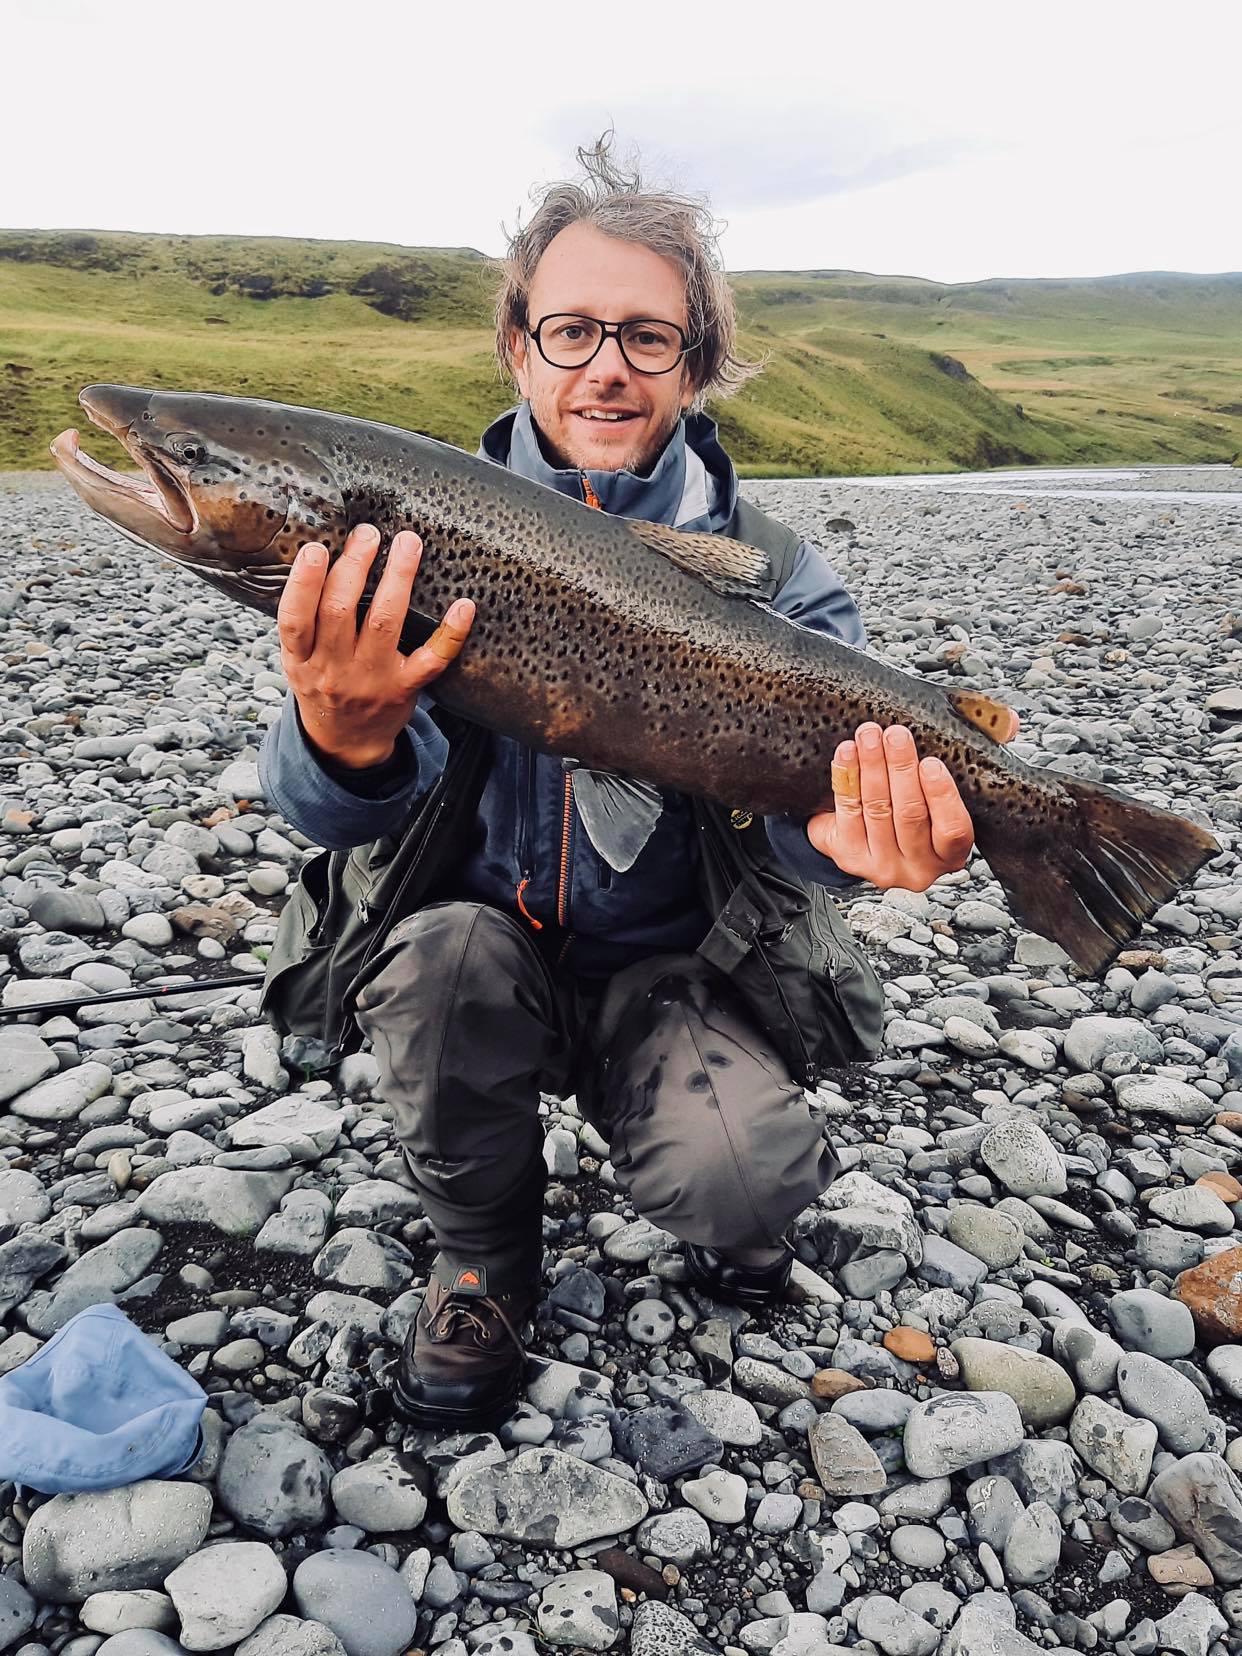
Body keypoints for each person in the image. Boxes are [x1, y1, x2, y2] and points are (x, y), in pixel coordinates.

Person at [258, 138, 994, 1432]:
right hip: (469, 955)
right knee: (439, 968)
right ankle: (482, 1250)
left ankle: (703, 1168)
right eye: (574, 329)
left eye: (648, 338)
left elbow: (803, 845)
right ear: (517, 345)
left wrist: (867, 848)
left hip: (675, 973)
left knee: (749, 1199)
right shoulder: (401, 535)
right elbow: (325, 815)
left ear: (697, 363)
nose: (606, 364)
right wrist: (340, 727)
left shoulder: (776, 580)